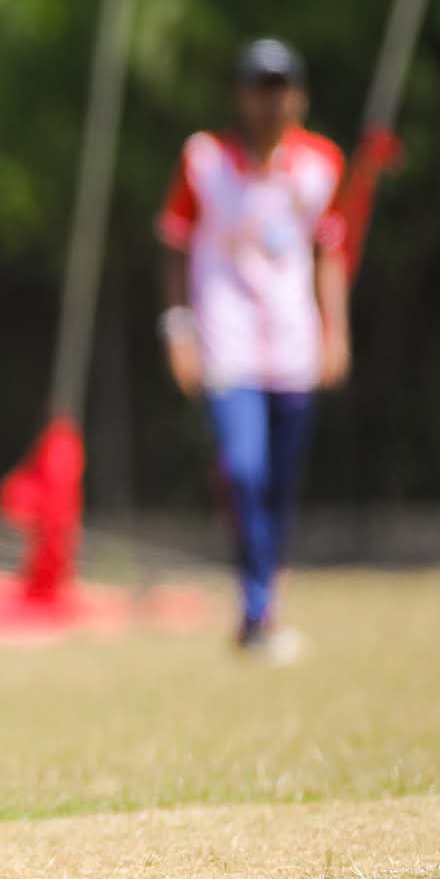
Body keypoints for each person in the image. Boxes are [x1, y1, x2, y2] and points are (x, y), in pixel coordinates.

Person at [157, 39, 349, 661]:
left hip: (293, 345)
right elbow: (176, 245)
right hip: (227, 344)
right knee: (244, 471)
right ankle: (258, 605)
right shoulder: (205, 161)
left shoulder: (321, 164)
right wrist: (178, 328)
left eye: (281, 87)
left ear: (300, 96)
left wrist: (334, 331)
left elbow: (329, 252)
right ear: (241, 96)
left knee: (280, 485)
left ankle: (261, 603)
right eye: (259, 88)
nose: (270, 102)